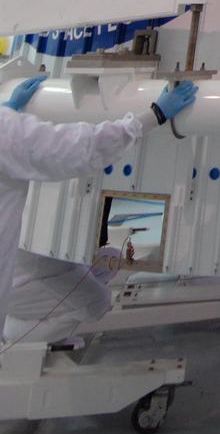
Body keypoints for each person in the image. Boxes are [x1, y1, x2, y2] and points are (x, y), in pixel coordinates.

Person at [0, 73, 197, 340]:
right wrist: (154, 115)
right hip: (18, 264)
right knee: (97, 300)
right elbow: (79, 148)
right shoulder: (7, 133)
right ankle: (11, 339)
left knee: (104, 267)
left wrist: (9, 110)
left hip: (26, 251)